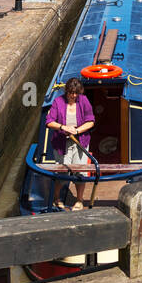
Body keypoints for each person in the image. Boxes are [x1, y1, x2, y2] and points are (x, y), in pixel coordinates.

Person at [45, 75, 95, 210]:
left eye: (76, 93)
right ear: (66, 91)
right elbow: (49, 121)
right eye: (71, 93)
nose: (73, 96)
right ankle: (56, 198)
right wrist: (63, 127)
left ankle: (79, 200)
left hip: (80, 143)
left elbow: (90, 121)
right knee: (62, 173)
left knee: (80, 172)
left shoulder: (83, 101)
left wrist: (77, 131)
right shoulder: (57, 102)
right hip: (61, 144)